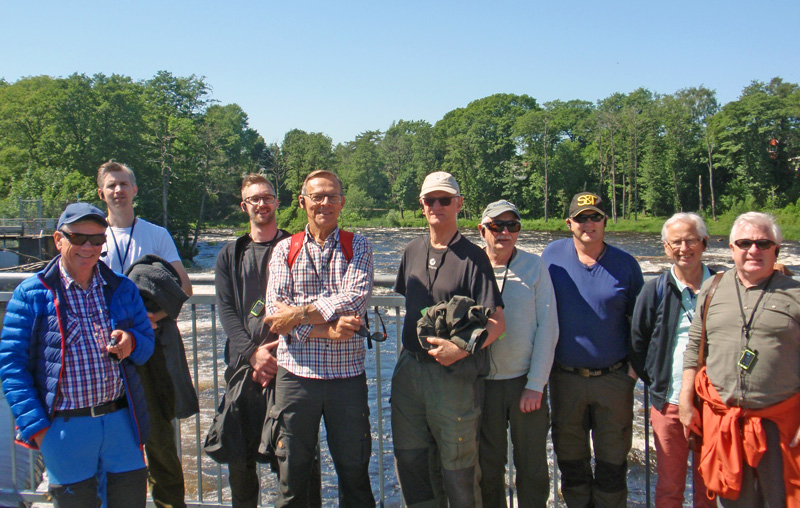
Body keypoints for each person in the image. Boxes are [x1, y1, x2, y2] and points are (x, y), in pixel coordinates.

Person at [0, 203, 155, 507]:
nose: (88, 246)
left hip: (120, 422)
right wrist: (39, 430)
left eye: (97, 240)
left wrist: (132, 342)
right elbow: (12, 367)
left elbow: (147, 343)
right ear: (59, 239)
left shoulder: (121, 288)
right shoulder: (32, 294)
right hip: (64, 429)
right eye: (78, 238)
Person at [391, 171, 506, 508]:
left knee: (459, 473)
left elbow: (497, 323)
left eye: (445, 200)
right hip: (410, 371)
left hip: (454, 379)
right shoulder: (411, 251)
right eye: (430, 200)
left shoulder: (473, 257)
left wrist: (460, 349)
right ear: (422, 206)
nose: (437, 206)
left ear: (459, 204)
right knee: (411, 463)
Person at [263, 170, 375, 507]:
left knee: (354, 472)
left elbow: (354, 299)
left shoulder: (358, 245)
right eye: (317, 196)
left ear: (342, 201)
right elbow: (272, 313)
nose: (324, 203)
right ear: (303, 202)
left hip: (347, 379)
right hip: (296, 379)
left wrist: (296, 315)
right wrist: (327, 329)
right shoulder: (286, 249)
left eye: (332, 196)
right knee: (291, 476)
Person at [211, 173, 321, 507]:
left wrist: (275, 353)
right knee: (241, 464)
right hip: (244, 371)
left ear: (277, 201)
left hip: (291, 368)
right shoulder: (231, 254)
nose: (262, 203)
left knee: (296, 461)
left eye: (267, 197)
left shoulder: (299, 247)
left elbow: (308, 304)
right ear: (244, 206)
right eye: (254, 199)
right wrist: (252, 354)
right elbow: (228, 311)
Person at [679, 212, 800, 507]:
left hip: (780, 426)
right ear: (731, 248)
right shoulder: (712, 288)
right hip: (724, 423)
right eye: (745, 243)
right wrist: (685, 400)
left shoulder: (796, 294)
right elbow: (695, 348)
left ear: (777, 250)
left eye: (763, 243)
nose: (753, 250)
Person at [96, 160, 196, 508]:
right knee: (109, 438)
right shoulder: (91, 237)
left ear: (135, 190)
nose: (118, 191)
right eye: (111, 186)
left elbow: (184, 286)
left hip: (149, 351)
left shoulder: (155, 234)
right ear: (101, 193)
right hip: (102, 354)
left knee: (158, 438)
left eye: (124, 184)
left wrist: (151, 317)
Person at [541, 191, 643, 508]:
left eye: (595, 217)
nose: (589, 224)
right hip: (565, 378)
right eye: (582, 218)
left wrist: (633, 369)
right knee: (571, 463)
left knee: (613, 465)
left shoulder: (626, 265)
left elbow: (641, 323)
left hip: (613, 379)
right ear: (569, 223)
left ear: (605, 222)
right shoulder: (551, 257)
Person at [630, 212, 715, 508]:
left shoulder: (723, 287)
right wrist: (655, 382)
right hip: (668, 404)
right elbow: (638, 343)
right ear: (666, 248)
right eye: (676, 242)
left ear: (704, 243)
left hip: (714, 406)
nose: (684, 248)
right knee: (668, 488)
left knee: (711, 486)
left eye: (691, 240)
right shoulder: (653, 289)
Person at [477, 200, 558, 508]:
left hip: (525, 383)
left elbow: (548, 327)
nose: (505, 232)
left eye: (513, 226)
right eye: (497, 226)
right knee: (488, 467)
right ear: (482, 230)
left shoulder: (534, 266)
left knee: (533, 467)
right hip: (482, 383)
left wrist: (536, 383)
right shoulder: (471, 265)